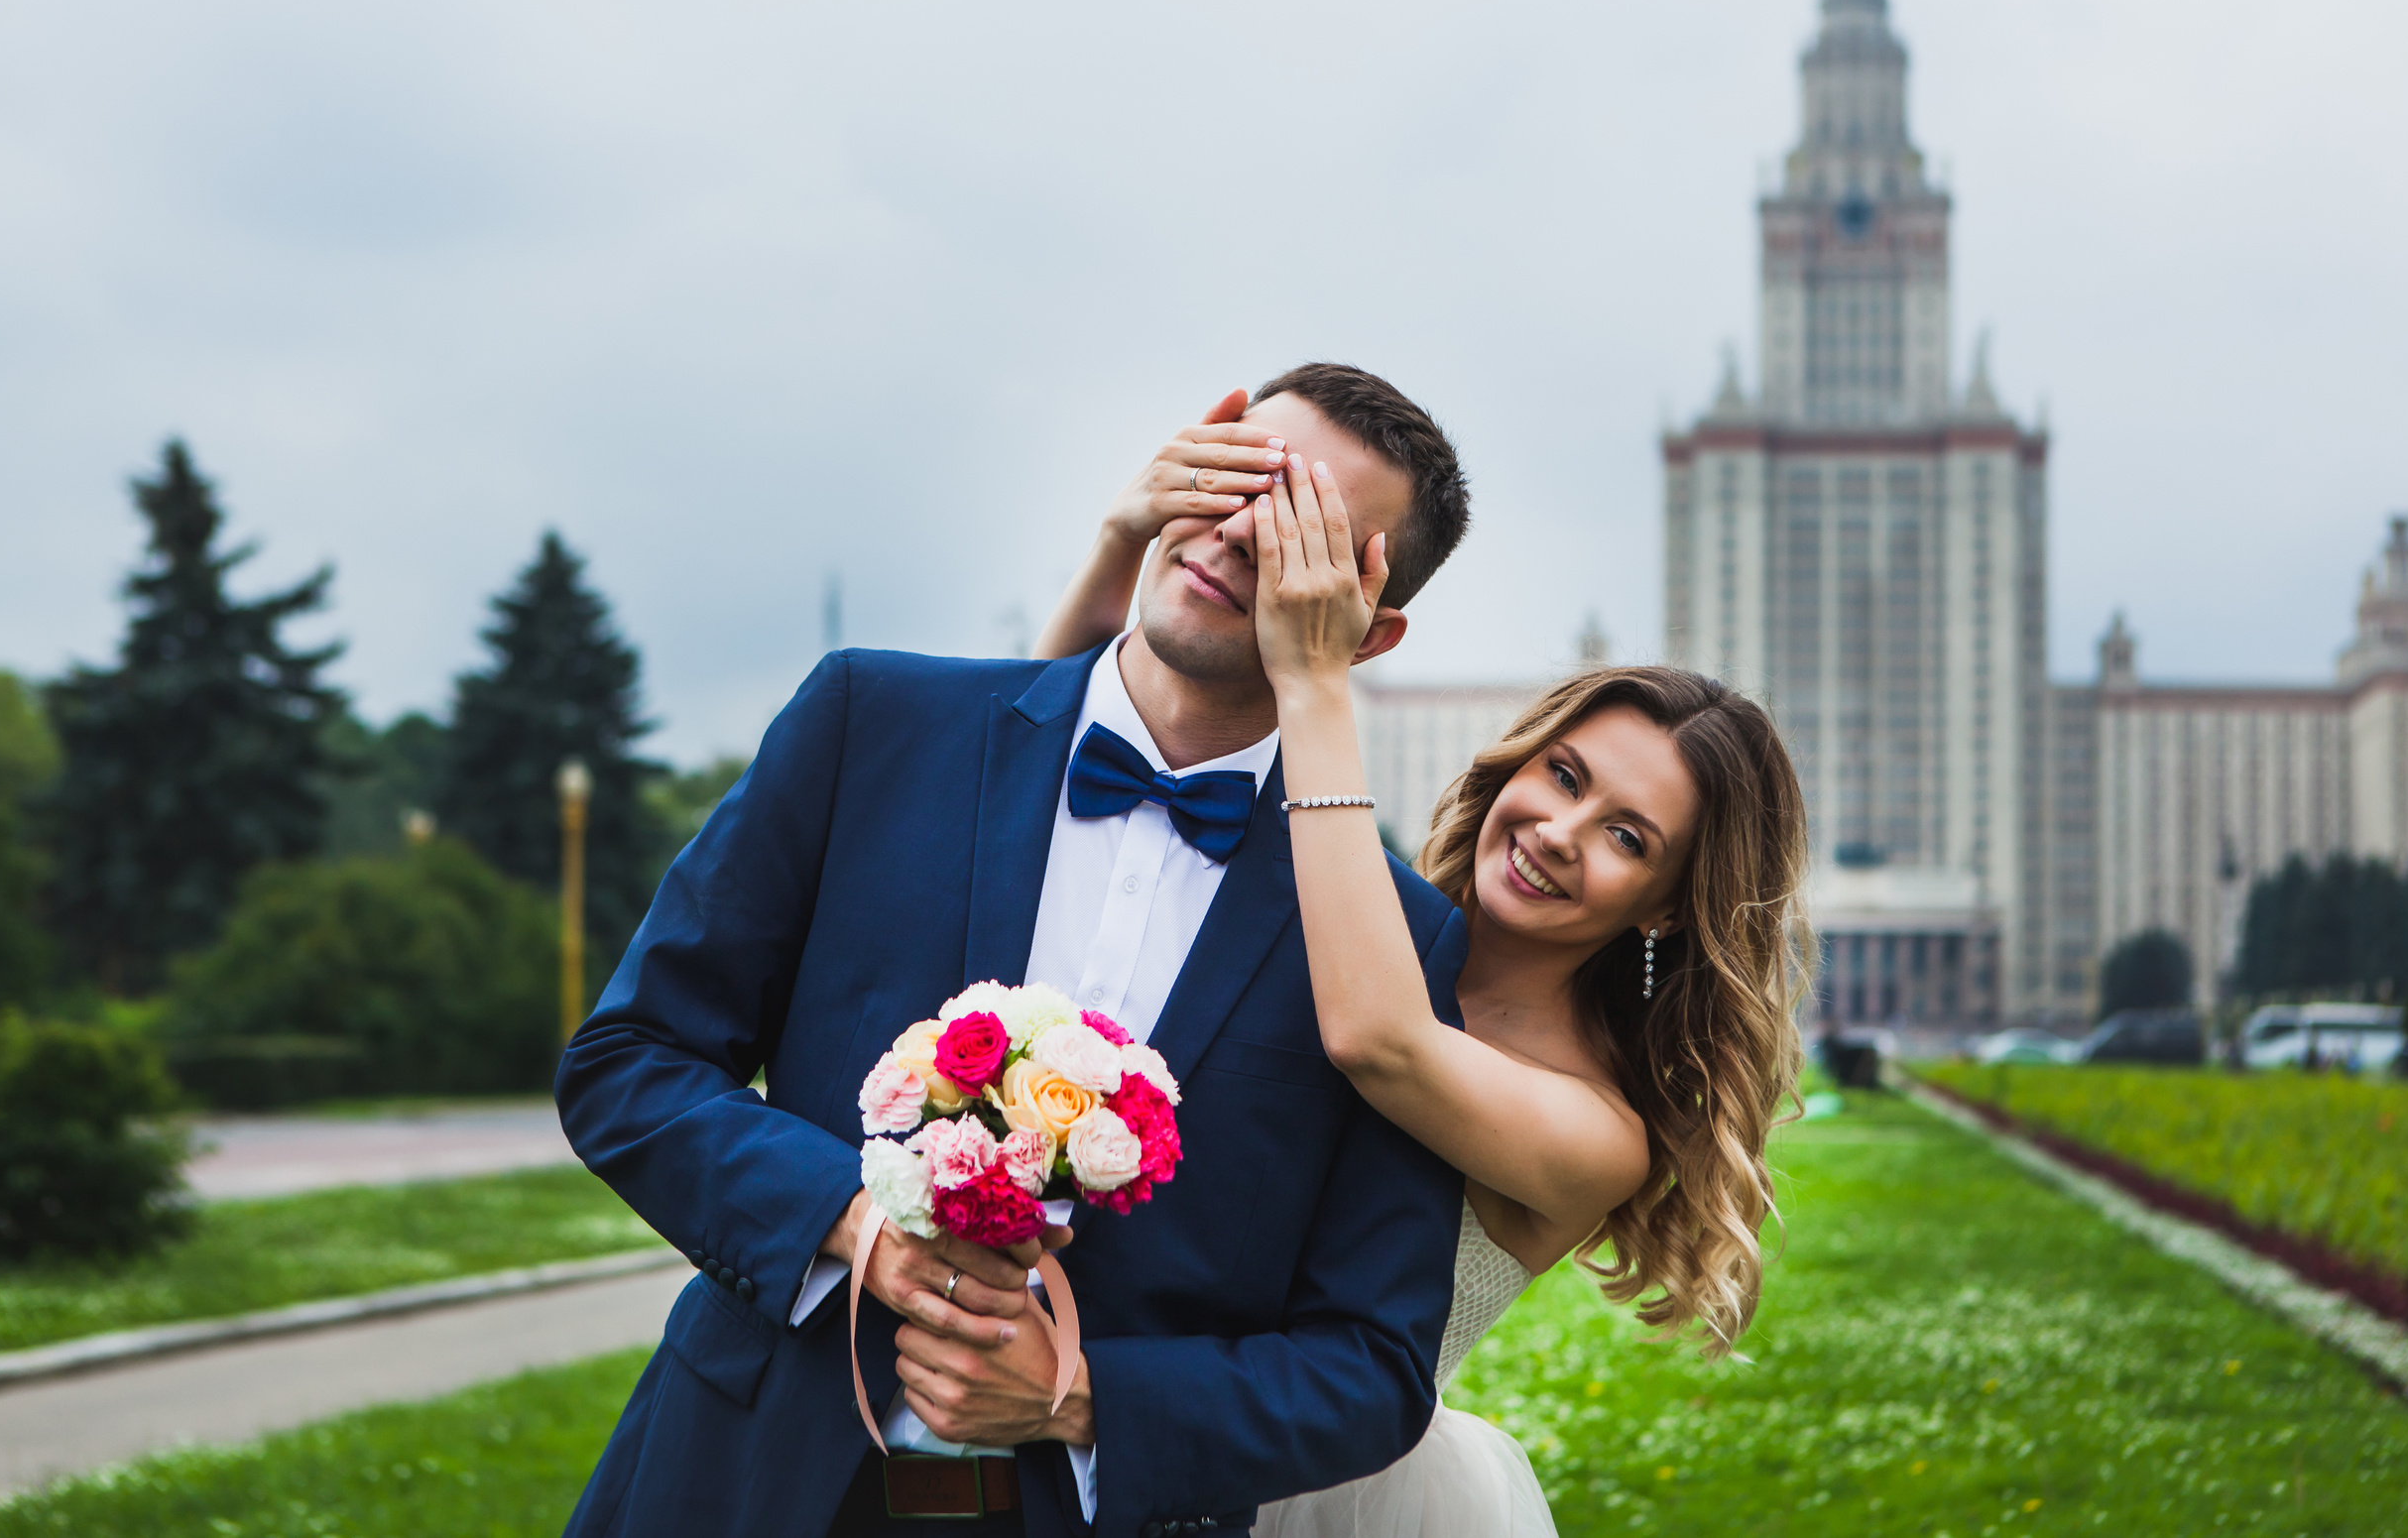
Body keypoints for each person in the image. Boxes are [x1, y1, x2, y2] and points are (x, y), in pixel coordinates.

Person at [555, 362, 1477, 1538]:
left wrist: (1081, 1401)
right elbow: (629, 1060)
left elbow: (1370, 1366)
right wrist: (856, 1224)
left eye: (1301, 532)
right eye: (1237, 477)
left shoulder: (1399, 945)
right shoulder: (869, 723)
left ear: (1372, 628)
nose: (1241, 532)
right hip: (730, 1483)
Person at [1033, 415, 1812, 1537]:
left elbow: (1381, 1042)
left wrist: (1313, 678)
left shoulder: (1593, 1128)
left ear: (1670, 906)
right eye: (1562, 774)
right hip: (1095, 1413)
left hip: (1305, 1486)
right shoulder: (1370, 922)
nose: (1557, 830)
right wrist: (1124, 543)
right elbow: (1055, 814)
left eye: (1628, 837)